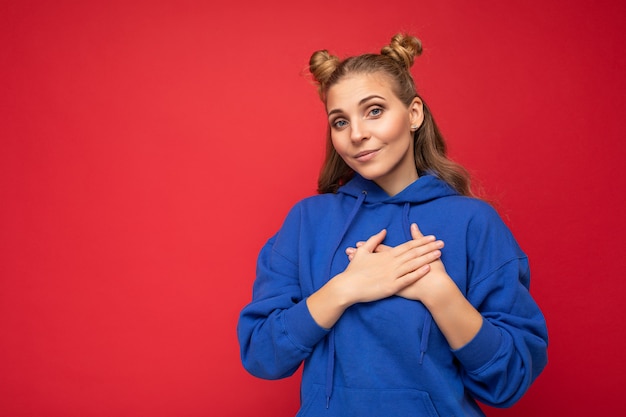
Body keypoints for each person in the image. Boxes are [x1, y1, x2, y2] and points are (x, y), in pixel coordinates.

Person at [237, 33, 548, 416]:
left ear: (414, 113)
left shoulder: (473, 222)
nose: (356, 134)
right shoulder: (307, 221)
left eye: (374, 111)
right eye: (339, 121)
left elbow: (510, 380)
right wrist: (345, 288)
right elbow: (262, 354)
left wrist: (440, 293)